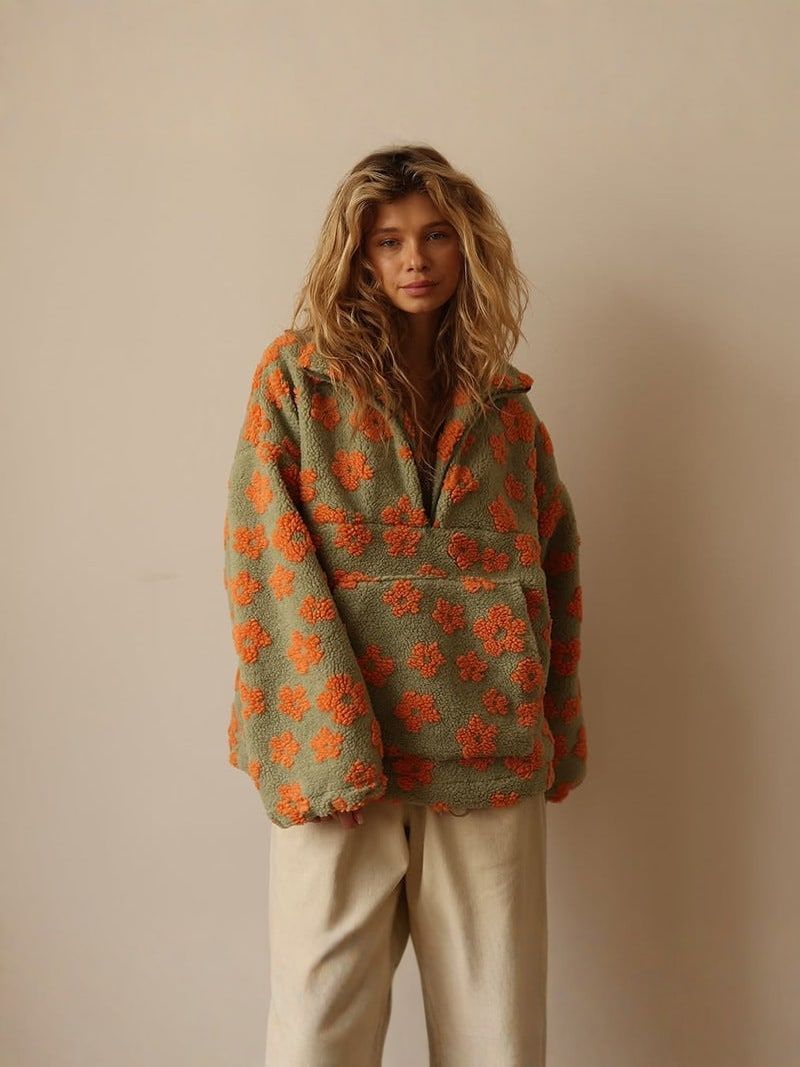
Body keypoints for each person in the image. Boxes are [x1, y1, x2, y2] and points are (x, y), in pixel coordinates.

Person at [222, 144, 587, 1066]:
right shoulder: (297, 380)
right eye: (388, 241)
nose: (414, 259)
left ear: (468, 247)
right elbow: (267, 558)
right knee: (317, 1036)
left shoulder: (508, 409)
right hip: (341, 761)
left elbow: (553, 569)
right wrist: (325, 743)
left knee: (499, 1037)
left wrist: (555, 728)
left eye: (435, 236)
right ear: (358, 255)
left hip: (486, 754)